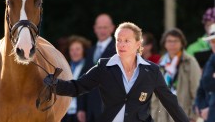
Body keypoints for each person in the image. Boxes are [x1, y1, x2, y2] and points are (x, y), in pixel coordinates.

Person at [44, 22, 189, 122]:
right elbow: (77, 87)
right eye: (118, 40)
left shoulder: (152, 71)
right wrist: (54, 84)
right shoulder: (104, 67)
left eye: (126, 40)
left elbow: (171, 103)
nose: (121, 44)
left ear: (138, 44)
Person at [151, 28, 200, 122]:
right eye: (169, 41)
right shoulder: (161, 64)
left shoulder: (190, 62)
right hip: (163, 116)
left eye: (176, 41)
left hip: (184, 114)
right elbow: (155, 96)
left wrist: (193, 116)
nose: (172, 44)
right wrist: (154, 116)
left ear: (182, 43)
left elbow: (196, 90)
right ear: (164, 43)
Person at [81, 13, 116, 122]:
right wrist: (81, 108)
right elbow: (83, 79)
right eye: (99, 27)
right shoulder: (90, 51)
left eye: (105, 27)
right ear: (95, 29)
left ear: (112, 28)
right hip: (90, 109)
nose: (102, 31)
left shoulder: (118, 50)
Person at [61, 35, 91, 122]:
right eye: (72, 50)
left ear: (83, 50)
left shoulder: (89, 68)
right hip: (65, 113)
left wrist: (83, 109)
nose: (75, 52)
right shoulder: (65, 68)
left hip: (81, 113)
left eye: (78, 49)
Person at [195, 23, 215, 122]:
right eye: (213, 41)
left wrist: (210, 109)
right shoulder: (210, 62)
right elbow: (201, 90)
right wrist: (201, 107)